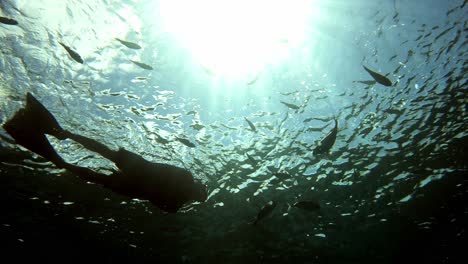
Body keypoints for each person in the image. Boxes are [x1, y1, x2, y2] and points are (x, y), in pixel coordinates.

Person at [3, 92, 207, 213]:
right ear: (196, 197)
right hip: (137, 183)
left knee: (104, 156)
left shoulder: (183, 183)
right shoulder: (176, 204)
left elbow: (164, 172)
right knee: (99, 173)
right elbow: (156, 200)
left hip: (140, 172)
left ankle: (64, 136)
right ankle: (61, 157)